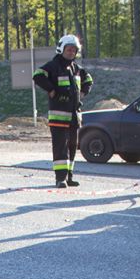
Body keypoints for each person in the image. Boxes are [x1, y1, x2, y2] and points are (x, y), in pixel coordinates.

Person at [33, 34, 93, 188]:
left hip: (74, 116)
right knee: (60, 147)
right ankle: (60, 178)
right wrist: (51, 89)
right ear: (61, 49)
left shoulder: (76, 68)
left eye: (74, 50)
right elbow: (37, 75)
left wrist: (82, 93)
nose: (71, 52)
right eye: (69, 49)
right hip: (59, 116)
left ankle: (69, 176)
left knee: (72, 146)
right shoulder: (54, 66)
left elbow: (88, 80)